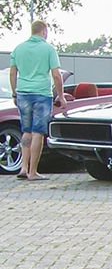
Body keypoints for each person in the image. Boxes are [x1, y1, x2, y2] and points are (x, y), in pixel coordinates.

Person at [8, 20, 66, 181]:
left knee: (26, 130)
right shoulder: (48, 49)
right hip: (41, 93)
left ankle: (23, 167)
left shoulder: (18, 49)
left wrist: (14, 93)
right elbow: (56, 75)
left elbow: (12, 74)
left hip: (23, 94)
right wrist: (61, 96)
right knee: (38, 132)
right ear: (44, 31)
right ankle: (33, 172)